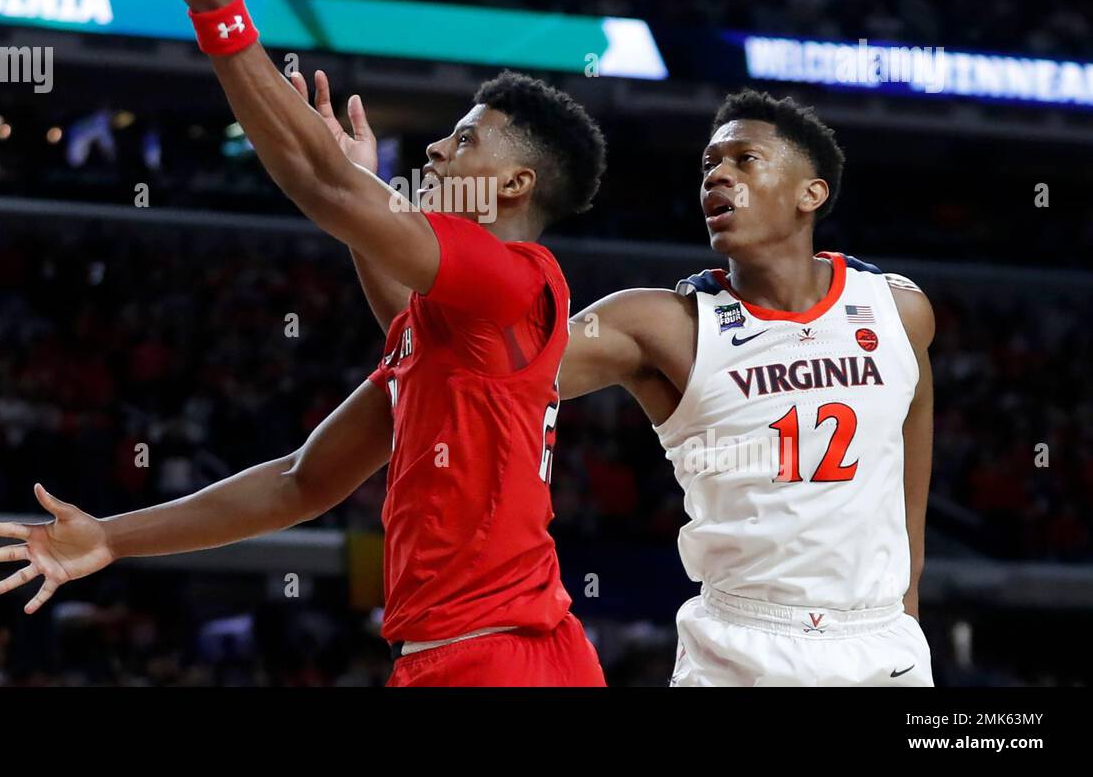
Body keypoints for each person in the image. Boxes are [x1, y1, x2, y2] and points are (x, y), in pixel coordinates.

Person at [0, 0, 609, 687]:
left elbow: (330, 194)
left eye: (465, 139)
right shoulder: (453, 333)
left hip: (498, 658)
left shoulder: (514, 277)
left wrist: (216, 12)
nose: (439, 154)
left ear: (515, 186)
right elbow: (298, 482)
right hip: (493, 655)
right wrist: (111, 537)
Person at [339, 82, 935, 687]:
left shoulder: (899, 309)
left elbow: (910, 454)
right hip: (743, 644)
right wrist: (363, 203)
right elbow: (461, 347)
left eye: (743, 160)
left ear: (813, 192)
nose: (716, 176)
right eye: (708, 164)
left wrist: (907, 607)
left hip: (881, 642)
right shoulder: (659, 324)